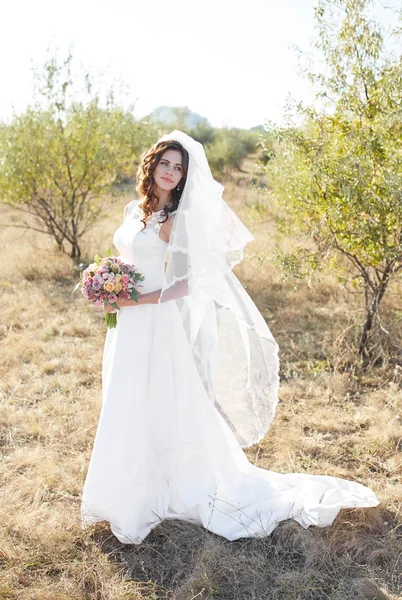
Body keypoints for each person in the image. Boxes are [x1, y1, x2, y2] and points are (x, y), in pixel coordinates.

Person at [80, 130, 379, 545]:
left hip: (152, 319)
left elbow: (185, 285)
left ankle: (159, 486)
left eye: (178, 167)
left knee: (158, 396)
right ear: (152, 166)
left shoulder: (178, 221)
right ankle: (121, 485)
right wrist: (108, 282)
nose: (170, 171)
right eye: (165, 163)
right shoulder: (135, 209)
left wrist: (135, 299)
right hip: (125, 320)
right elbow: (129, 257)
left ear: (184, 177)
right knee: (123, 394)